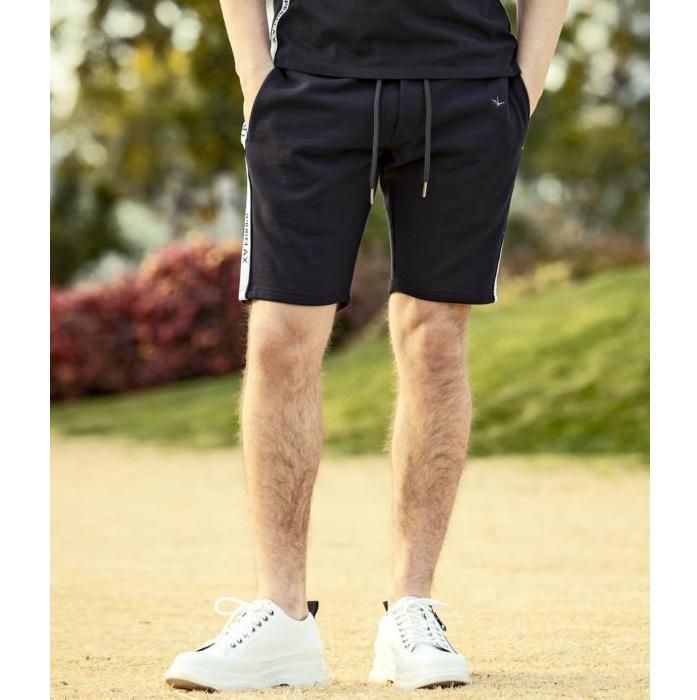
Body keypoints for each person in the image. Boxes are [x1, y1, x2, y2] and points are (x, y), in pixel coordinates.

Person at [165, 0, 568, 691]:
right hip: (311, 81)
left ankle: (413, 609)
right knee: (280, 339)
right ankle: (281, 613)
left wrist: (523, 87)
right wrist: (256, 76)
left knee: (435, 338)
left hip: (467, 83)